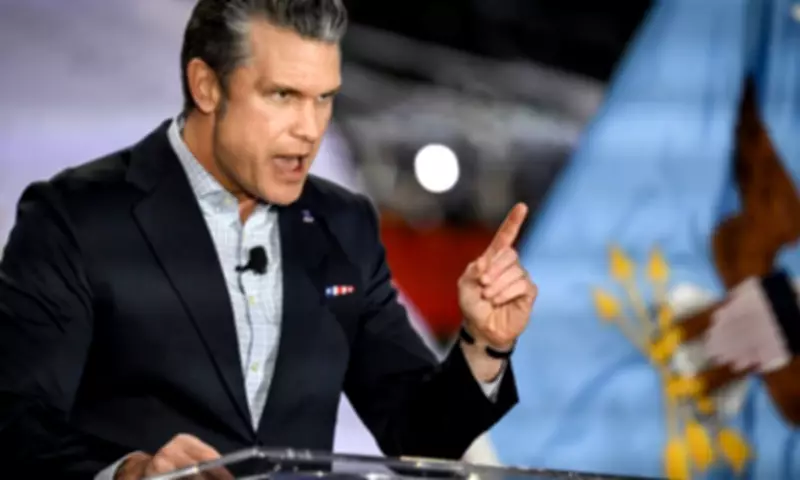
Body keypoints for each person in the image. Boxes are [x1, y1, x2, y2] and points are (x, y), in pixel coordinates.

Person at [0, 1, 537, 479]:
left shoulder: (341, 224)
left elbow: (421, 436)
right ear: (206, 86)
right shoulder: (76, 216)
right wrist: (129, 472)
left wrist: (484, 344)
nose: (310, 128)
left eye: (323, 99)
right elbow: (15, 421)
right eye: (283, 95)